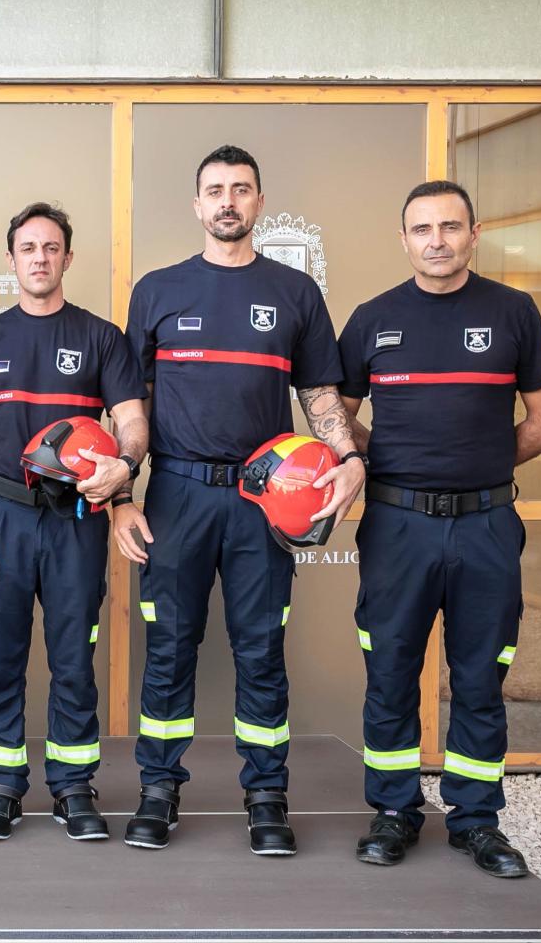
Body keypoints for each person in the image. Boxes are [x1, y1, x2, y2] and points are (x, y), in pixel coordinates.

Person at [118, 146, 365, 856]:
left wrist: (347, 456)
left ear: (259, 203)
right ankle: (158, 791)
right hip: (176, 497)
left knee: (260, 651)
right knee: (168, 649)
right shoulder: (157, 291)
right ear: (197, 205)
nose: (228, 201)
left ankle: (266, 796)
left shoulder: (296, 293)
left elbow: (319, 394)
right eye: (215, 190)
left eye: (241, 190)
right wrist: (121, 501)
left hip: (266, 504)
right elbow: (129, 406)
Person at [340, 180, 541, 878]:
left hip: (487, 526)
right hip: (397, 527)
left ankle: (476, 821)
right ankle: (394, 809)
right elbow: (335, 414)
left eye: (449, 226)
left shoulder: (513, 312)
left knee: (479, 678)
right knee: (390, 674)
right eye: (421, 229)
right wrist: (387, 462)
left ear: (475, 232)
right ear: (403, 238)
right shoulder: (372, 319)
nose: (435, 240)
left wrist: (485, 462)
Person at [0, 202, 147, 841]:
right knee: (0, 656)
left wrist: (124, 466)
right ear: (12, 260)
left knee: (72, 658)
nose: (40, 258)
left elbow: (133, 421)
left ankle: (72, 785)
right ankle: (2, 786)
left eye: (51, 247)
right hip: (2, 516)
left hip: (76, 520)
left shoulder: (100, 338)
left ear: (67, 257)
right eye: (28, 248)